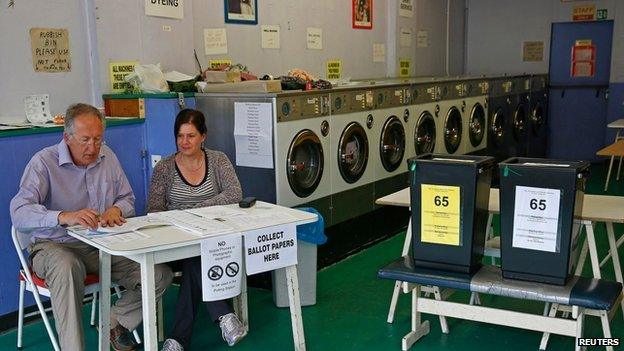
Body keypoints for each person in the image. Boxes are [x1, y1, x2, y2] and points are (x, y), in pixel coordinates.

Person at [10, 103, 173, 351]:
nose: (93, 147)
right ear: (67, 137)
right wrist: (64, 216)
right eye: (85, 140)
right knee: (67, 267)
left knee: (159, 274)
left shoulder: (107, 156)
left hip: (101, 243)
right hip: (54, 246)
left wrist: (116, 210)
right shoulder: (43, 162)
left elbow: (127, 198)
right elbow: (19, 214)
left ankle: (114, 322)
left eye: (98, 139)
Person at [148, 109, 247, 351]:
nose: (185, 142)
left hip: (215, 237)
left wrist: (197, 210)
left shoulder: (218, 160)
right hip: (176, 241)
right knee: (195, 258)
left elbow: (235, 193)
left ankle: (178, 341)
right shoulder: (165, 167)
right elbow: (153, 209)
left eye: (191, 136)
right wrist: (180, 220)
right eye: (180, 136)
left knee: (198, 258)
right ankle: (225, 316)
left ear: (203, 135)